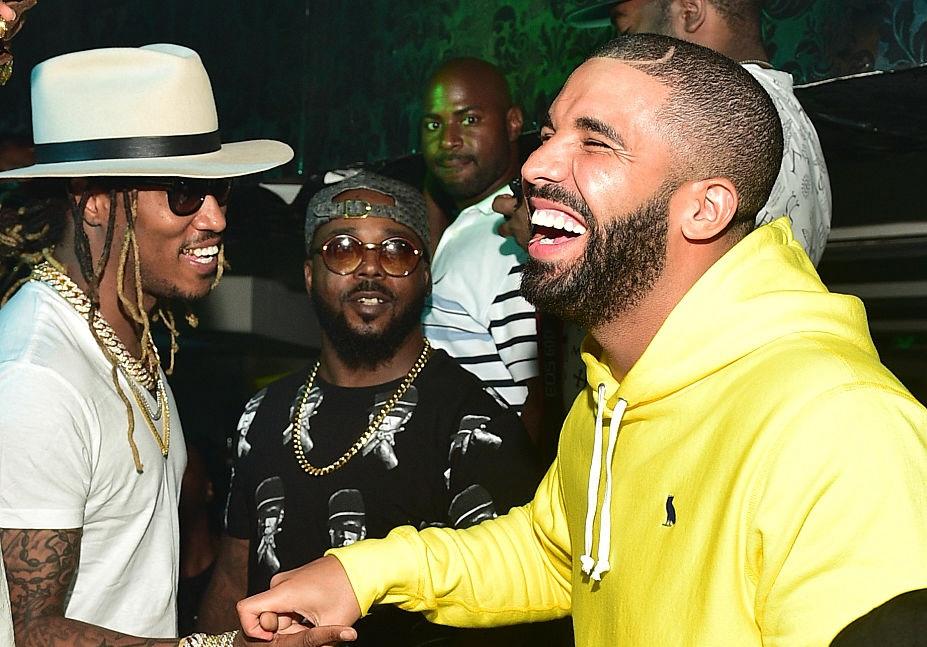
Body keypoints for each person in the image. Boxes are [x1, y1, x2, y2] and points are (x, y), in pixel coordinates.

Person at [237, 35, 927, 647]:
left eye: (593, 142)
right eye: (547, 133)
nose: (536, 166)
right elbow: (552, 552)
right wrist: (363, 570)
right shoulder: (611, 392)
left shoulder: (838, 426)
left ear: (704, 207)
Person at [0, 44, 298, 645]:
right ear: (94, 201)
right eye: (184, 193)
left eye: (221, 192)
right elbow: (35, 635)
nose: (214, 217)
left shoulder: (126, 333)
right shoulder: (38, 376)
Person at [197, 171, 544, 646]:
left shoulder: (479, 426)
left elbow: (515, 609)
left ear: (425, 277)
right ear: (308, 274)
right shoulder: (261, 414)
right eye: (343, 248)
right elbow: (234, 578)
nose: (370, 268)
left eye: (397, 251)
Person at [563, 0, 831, 264]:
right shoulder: (786, 109)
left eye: (627, 34)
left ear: (690, 12)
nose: (623, 54)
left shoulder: (718, 115)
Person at [419, 58, 543, 436]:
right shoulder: (471, 227)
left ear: (513, 123)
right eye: (433, 124)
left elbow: (542, 397)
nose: (448, 140)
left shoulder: (511, 234)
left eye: (469, 119)